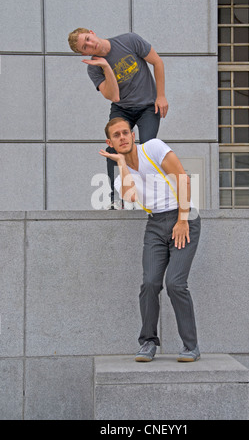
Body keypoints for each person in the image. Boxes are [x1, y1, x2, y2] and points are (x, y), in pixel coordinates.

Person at [99, 117, 201, 362]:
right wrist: (122, 163)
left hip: (184, 217)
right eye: (117, 135)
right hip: (155, 224)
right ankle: (147, 342)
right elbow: (130, 197)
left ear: (133, 135)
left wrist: (182, 219)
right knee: (150, 284)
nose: (122, 137)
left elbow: (183, 178)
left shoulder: (153, 147)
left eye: (126, 132)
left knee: (176, 284)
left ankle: (191, 346)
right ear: (110, 142)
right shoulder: (120, 174)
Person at [68, 28, 169, 209]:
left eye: (88, 39)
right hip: (122, 109)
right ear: (84, 53)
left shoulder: (129, 40)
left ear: (92, 32)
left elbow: (157, 62)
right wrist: (106, 66)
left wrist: (161, 96)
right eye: (86, 46)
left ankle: (152, 194)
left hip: (148, 107)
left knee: (148, 147)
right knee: (113, 149)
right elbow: (114, 96)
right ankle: (116, 199)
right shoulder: (94, 69)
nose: (91, 44)